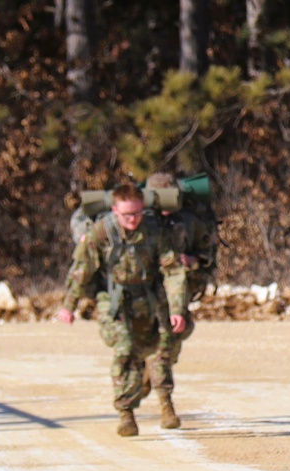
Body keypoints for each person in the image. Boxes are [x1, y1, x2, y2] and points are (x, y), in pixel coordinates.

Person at [57, 183, 188, 437]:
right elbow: (82, 268)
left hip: (148, 294)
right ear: (115, 210)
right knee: (125, 348)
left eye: (137, 213)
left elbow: (173, 271)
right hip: (114, 298)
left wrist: (177, 308)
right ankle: (126, 414)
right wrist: (69, 305)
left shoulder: (154, 231)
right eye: (127, 214)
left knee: (163, 346)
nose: (132, 219)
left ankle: (166, 406)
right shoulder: (102, 232)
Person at [139, 172, 218, 415]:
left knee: (173, 342)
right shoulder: (136, 221)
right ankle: (166, 404)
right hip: (145, 291)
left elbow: (207, 255)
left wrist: (191, 260)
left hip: (178, 289)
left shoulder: (189, 222)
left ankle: (150, 372)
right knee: (162, 343)